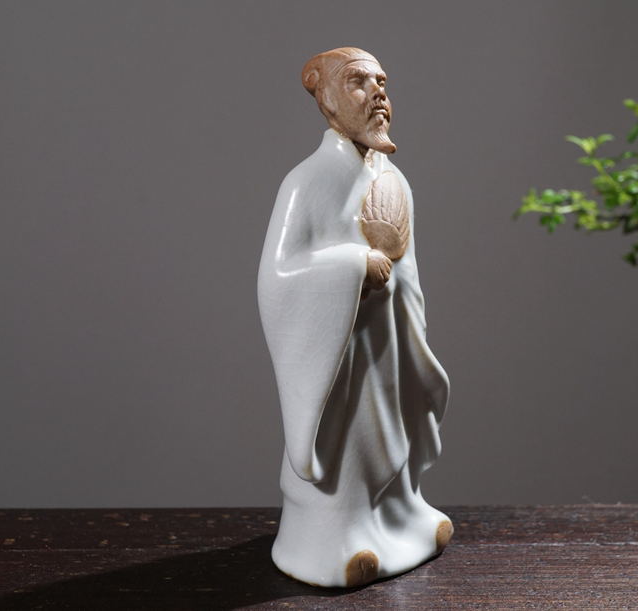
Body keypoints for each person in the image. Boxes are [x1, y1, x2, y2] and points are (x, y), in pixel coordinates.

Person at [257, 47, 451, 588]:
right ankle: (332, 540)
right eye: (359, 82)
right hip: (339, 356)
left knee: (393, 431)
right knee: (347, 442)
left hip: (387, 343)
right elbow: (277, 278)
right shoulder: (306, 181)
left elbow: (408, 271)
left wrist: (404, 306)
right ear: (327, 99)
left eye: (382, 81)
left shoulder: (395, 180)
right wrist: (352, 266)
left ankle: (401, 516)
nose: (379, 93)